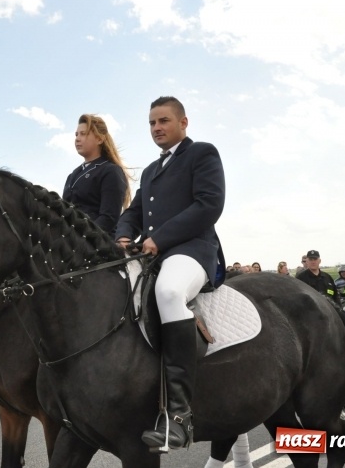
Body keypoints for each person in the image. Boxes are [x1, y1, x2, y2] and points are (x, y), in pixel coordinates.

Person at [115, 96, 225, 450]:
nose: (156, 128)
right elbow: (133, 212)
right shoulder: (150, 170)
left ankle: (179, 415)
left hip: (192, 250)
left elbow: (209, 205)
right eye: (151, 123)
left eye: (163, 121)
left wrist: (159, 239)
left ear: (183, 122)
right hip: (152, 253)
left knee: (169, 293)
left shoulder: (202, 153)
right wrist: (122, 234)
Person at [62, 114, 132, 234]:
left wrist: (82, 237)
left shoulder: (111, 171)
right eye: (76, 134)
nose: (77, 138)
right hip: (69, 244)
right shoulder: (72, 175)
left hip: (98, 245)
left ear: (100, 139)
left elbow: (108, 218)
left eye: (83, 134)